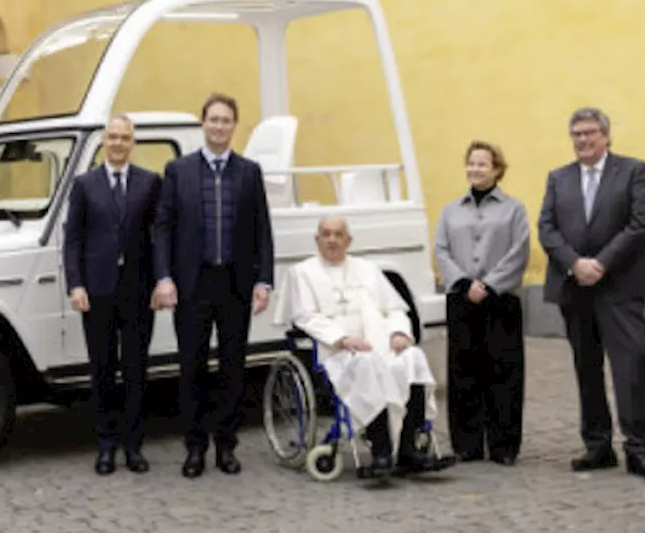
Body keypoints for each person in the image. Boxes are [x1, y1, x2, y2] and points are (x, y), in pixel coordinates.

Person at [537, 107, 645, 480]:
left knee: (631, 366)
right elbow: (547, 228)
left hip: (621, 285)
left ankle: (638, 449)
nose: (583, 140)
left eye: (590, 133)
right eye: (576, 134)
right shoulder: (558, 178)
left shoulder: (633, 171)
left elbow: (640, 223)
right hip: (574, 287)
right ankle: (597, 445)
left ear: (606, 136)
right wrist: (575, 263)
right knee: (587, 367)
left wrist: (602, 263)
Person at [152, 92, 274, 478]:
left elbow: (262, 231)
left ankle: (226, 445)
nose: (219, 126)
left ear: (234, 126)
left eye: (226, 121)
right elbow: (163, 229)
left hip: (235, 284)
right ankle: (194, 447)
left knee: (233, 369)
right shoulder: (178, 171)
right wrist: (164, 277)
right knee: (191, 368)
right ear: (202, 124)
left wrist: (264, 280)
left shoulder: (249, 172)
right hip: (193, 285)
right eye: (213, 120)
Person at [278, 216, 455, 477]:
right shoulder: (303, 272)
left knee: (412, 357)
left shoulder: (367, 269)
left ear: (348, 241)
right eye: (326, 234)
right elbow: (305, 317)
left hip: (377, 344)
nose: (332, 240)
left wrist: (398, 333)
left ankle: (408, 448)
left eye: (338, 234)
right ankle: (381, 451)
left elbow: (394, 308)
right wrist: (342, 338)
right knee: (368, 363)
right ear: (317, 240)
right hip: (337, 352)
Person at [62, 114, 162, 475]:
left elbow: (158, 238)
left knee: (136, 372)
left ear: (132, 142)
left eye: (125, 137)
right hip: (97, 292)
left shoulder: (149, 183)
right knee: (102, 371)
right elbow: (73, 239)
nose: (118, 143)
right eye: (112, 137)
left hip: (138, 293)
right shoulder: (84, 185)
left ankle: (134, 447)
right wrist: (75, 284)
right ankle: (106, 447)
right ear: (103, 141)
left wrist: (161, 281)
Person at [434, 140, 531, 466]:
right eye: (471, 163)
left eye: (482, 164)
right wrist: (463, 282)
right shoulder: (451, 210)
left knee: (504, 373)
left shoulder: (513, 209)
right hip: (461, 300)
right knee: (463, 374)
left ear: (497, 169)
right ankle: (467, 444)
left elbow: (519, 251)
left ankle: (503, 446)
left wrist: (489, 285)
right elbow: (441, 249)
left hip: (500, 301)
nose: (475, 169)